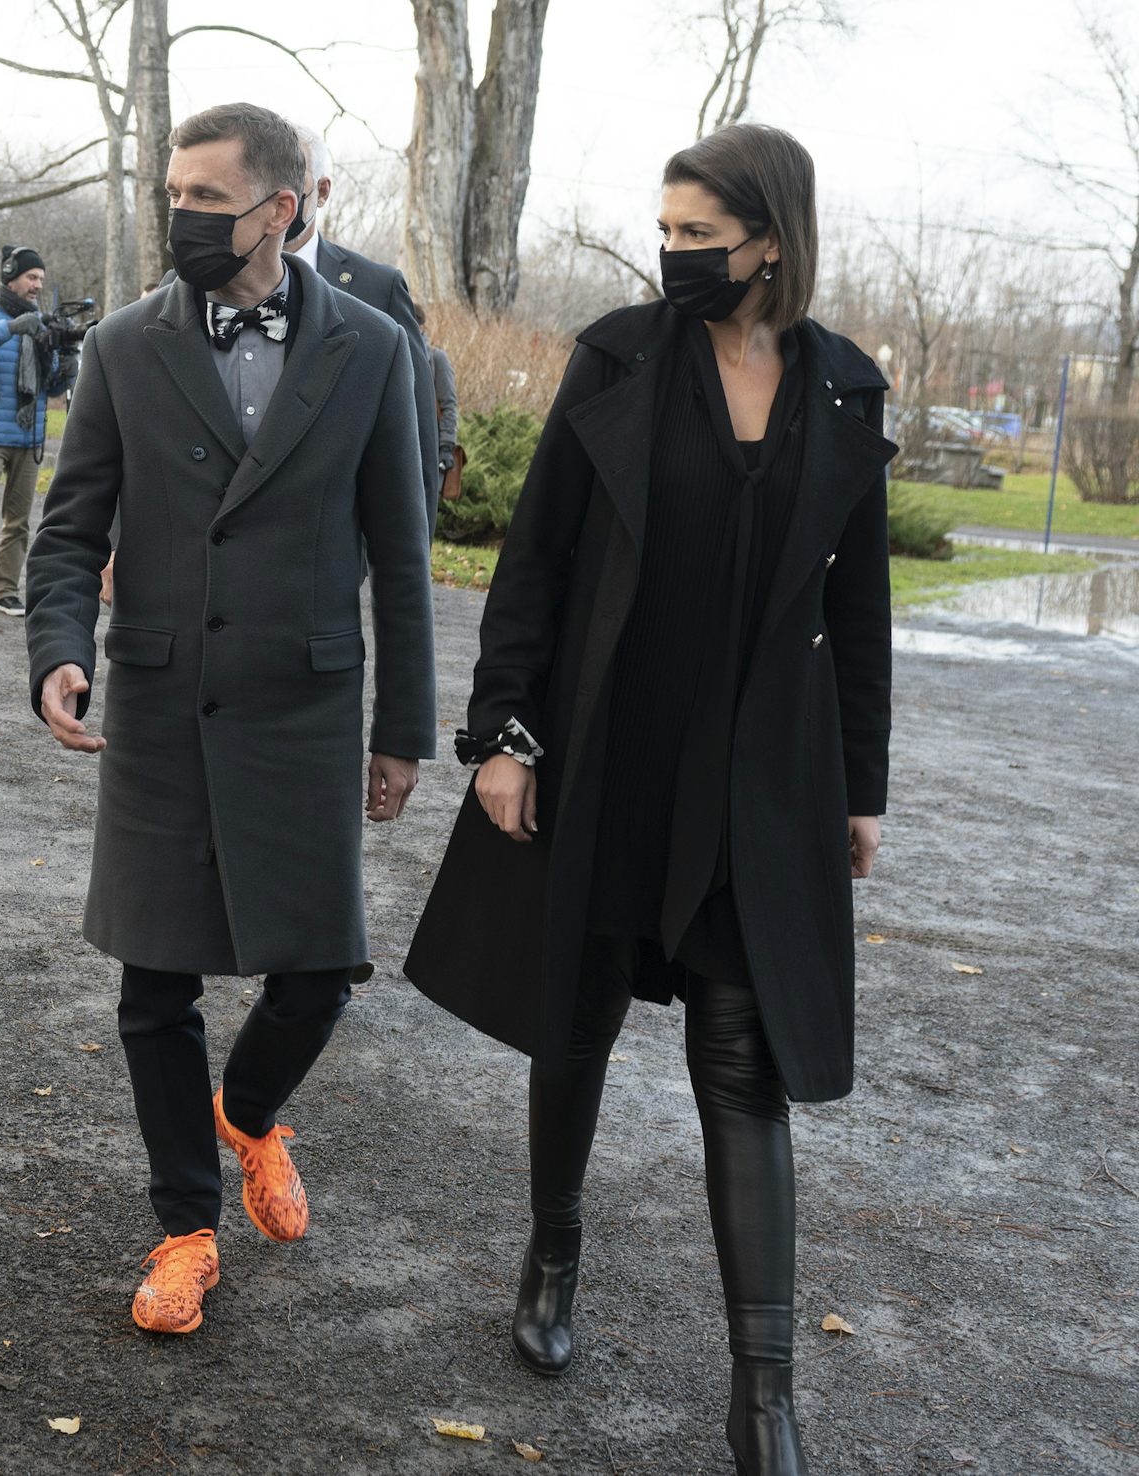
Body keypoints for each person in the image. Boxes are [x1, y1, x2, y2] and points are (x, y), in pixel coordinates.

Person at [403, 124, 896, 1476]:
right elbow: (539, 559)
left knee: (747, 1069)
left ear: (771, 244)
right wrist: (506, 734)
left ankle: (766, 1394)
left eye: (700, 238)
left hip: (762, 784)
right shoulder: (620, 356)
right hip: (609, 752)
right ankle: (553, 1255)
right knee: (576, 1023)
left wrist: (862, 786)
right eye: (666, 232)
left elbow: (858, 610)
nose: (674, 255)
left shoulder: (843, 390)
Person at [26, 102, 435, 1338]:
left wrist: (402, 728)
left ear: (284, 207)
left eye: (210, 197)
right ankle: (185, 1227)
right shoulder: (123, 348)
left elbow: (401, 554)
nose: (184, 217)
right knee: (157, 984)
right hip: (160, 700)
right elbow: (68, 529)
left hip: (307, 705)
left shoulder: (370, 346)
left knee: (318, 972)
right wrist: (57, 651)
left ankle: (248, 1116)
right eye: (175, 194)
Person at [286, 124, 439, 536]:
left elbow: (417, 430)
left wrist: (409, 557)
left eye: (290, 178)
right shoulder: (195, 281)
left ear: (321, 191)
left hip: (332, 544)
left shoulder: (379, 289)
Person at [0, 246, 74, 616]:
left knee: (19, 519)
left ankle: (5, 591)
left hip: (29, 436)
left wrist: (66, 368)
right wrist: (10, 327)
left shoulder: (43, 322)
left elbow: (48, 388)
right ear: (11, 277)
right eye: (31, 277)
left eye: (40, 278)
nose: (37, 284)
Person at [412, 303, 463, 502]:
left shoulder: (435, 359)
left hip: (430, 452)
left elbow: (449, 405)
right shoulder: (395, 353)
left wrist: (446, 447)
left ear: (421, 326)